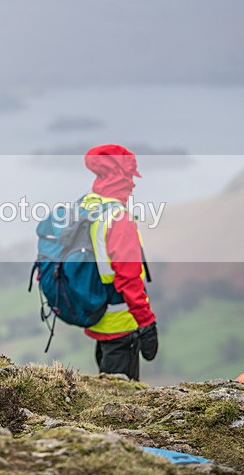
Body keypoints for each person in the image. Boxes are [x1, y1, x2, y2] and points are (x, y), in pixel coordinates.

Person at [82, 144, 159, 381]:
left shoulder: (90, 205)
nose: (134, 183)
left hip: (97, 316)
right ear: (118, 176)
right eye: (130, 176)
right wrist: (147, 323)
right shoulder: (119, 218)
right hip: (121, 325)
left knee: (105, 392)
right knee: (120, 406)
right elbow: (128, 277)